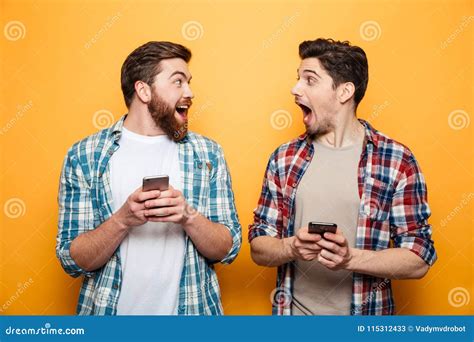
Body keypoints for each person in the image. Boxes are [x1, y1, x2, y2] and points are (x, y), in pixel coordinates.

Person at [249, 38, 437, 315]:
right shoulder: (284, 158)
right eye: (298, 79)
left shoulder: (397, 161)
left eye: (309, 80)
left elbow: (419, 258)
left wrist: (350, 258)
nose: (295, 89)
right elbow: (258, 247)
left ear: (345, 91)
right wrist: (292, 247)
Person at [56, 41, 241, 315]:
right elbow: (72, 261)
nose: (190, 92)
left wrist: (187, 215)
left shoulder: (208, 153)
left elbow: (228, 249)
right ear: (143, 90)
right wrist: (122, 220)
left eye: (188, 82)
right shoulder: (85, 155)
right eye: (178, 82)